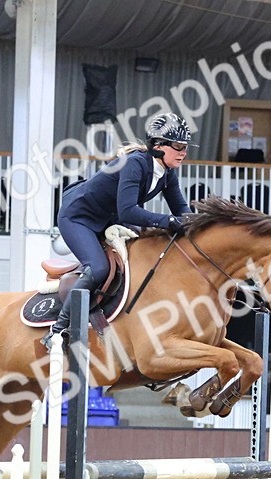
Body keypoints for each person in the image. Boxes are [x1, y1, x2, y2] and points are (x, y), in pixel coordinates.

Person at [43, 112, 194, 348]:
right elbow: (128, 212)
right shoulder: (135, 163)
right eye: (178, 146)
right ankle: (58, 330)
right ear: (157, 145)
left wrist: (202, 224)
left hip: (107, 218)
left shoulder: (167, 173)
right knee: (100, 268)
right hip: (79, 217)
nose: (183, 151)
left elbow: (182, 210)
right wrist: (168, 221)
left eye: (185, 146)